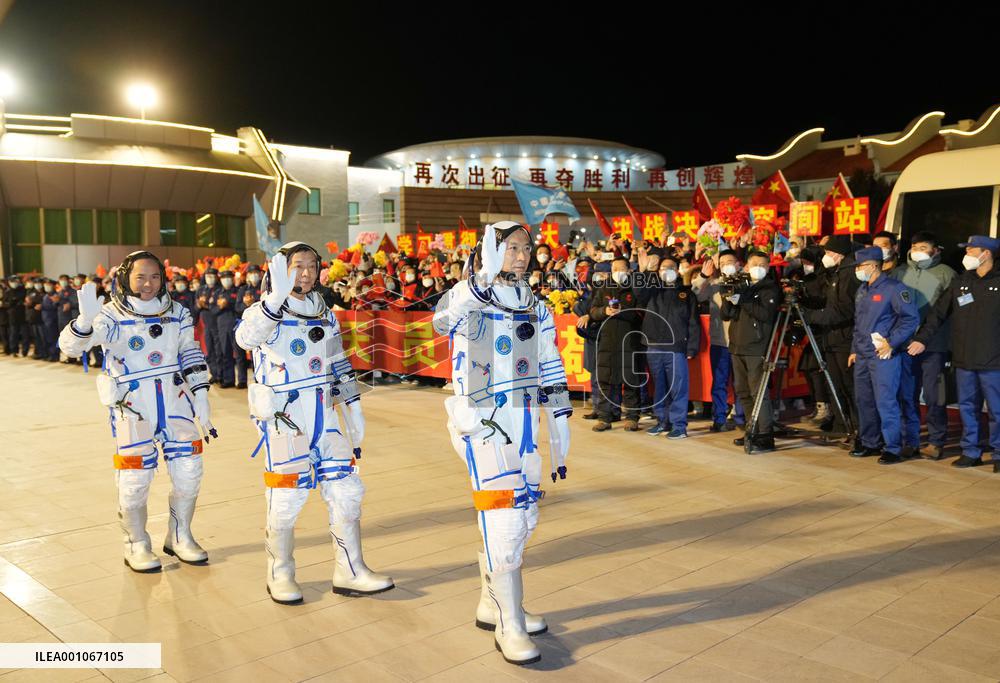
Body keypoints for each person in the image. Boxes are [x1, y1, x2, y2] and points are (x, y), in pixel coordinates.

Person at [432, 221, 570, 666]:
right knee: (505, 518)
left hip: (524, 420)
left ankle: (494, 604)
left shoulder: (535, 305)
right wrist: (481, 281)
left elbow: (549, 361)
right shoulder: (466, 294)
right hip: (483, 420)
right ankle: (510, 625)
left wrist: (560, 418)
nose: (522, 255)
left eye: (526, 248)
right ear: (488, 251)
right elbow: (441, 322)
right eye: (510, 247)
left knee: (524, 515)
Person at [236, 242, 393, 604]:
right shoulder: (263, 311)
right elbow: (245, 339)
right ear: (279, 270)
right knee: (286, 497)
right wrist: (274, 300)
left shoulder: (324, 312)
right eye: (297, 266)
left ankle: (350, 570)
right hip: (286, 417)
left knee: (346, 491)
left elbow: (337, 361)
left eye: (311, 266)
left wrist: (352, 405)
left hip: (324, 413)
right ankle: (280, 573)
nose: (305, 273)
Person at [58, 251, 216, 572]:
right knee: (135, 479)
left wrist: (201, 394)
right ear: (125, 278)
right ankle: (136, 543)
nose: (148, 284)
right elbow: (70, 348)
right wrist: (85, 322)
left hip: (174, 401)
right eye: (140, 277)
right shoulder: (111, 314)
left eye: (155, 277)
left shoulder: (177, 312)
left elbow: (189, 350)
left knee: (189, 471)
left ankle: (180, 535)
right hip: (133, 405)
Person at [909, 235, 1000, 470]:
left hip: (994, 360)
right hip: (964, 358)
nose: (966, 254)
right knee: (968, 407)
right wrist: (921, 339)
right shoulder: (961, 281)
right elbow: (938, 314)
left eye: (971, 250)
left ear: (986, 253)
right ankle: (971, 451)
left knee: (997, 409)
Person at [847, 246, 920, 465]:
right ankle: (870, 442)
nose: (857, 270)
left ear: (873, 266)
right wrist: (854, 350)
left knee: (886, 401)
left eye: (860, 266)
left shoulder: (894, 288)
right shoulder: (862, 289)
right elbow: (858, 324)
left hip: (883, 354)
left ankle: (893, 447)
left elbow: (911, 319)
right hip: (862, 354)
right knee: (864, 400)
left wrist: (892, 342)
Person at [890, 231, 955, 460]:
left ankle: (936, 441)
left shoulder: (946, 274)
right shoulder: (899, 273)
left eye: (923, 247)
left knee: (934, 395)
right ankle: (911, 440)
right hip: (905, 344)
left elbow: (949, 312)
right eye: (915, 247)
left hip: (934, 345)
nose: (918, 251)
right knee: (907, 394)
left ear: (935, 250)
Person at [635, 254, 700, 438]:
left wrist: (692, 348)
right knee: (659, 387)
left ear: (677, 270)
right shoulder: (652, 290)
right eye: (663, 268)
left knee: (678, 388)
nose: (667, 271)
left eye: (671, 267)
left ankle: (679, 425)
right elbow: (638, 294)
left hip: (676, 348)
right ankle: (662, 421)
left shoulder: (686, 294)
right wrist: (646, 271)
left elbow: (693, 322)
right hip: (654, 346)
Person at [722, 251, 780, 453]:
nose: (758, 268)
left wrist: (743, 301)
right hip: (737, 345)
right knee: (742, 391)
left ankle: (766, 435)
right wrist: (728, 298)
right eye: (755, 264)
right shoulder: (742, 285)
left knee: (758, 392)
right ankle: (752, 429)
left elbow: (765, 314)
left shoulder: (770, 289)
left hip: (757, 346)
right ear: (746, 266)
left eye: (763, 265)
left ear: (768, 268)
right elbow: (726, 314)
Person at [803, 236, 860, 441]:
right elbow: (828, 302)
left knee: (849, 385)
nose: (825, 257)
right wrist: (805, 300)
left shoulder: (849, 275)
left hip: (845, 338)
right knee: (834, 384)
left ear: (839, 254)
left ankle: (859, 429)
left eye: (828, 253)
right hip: (832, 337)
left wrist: (812, 316)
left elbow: (844, 310)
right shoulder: (835, 273)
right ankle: (840, 425)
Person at [692, 250, 746, 432]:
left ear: (738, 264)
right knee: (719, 383)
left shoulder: (746, 283)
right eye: (722, 264)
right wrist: (703, 276)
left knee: (741, 383)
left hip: (742, 342)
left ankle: (742, 418)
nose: (726, 266)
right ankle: (719, 419)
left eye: (729, 262)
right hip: (720, 343)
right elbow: (694, 295)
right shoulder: (714, 284)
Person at [589, 257, 643, 432]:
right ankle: (604, 418)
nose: (617, 272)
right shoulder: (604, 288)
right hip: (607, 342)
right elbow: (593, 311)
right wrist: (604, 311)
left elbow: (641, 314)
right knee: (605, 380)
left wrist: (622, 312)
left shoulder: (635, 288)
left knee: (631, 380)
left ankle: (632, 417)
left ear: (629, 271)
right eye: (614, 269)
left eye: (621, 269)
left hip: (629, 342)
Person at [234, 264, 262, 388]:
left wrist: (253, 303)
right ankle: (242, 380)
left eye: (256, 273)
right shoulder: (243, 289)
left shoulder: (265, 287)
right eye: (251, 273)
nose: (254, 275)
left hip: (260, 326)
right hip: (246, 326)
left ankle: (258, 379)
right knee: (240, 354)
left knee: (257, 355)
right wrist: (246, 305)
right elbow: (237, 307)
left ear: (260, 274)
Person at [212, 270, 240, 388]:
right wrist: (220, 306)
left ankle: (242, 380)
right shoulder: (218, 292)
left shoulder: (238, 290)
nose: (226, 280)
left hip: (236, 325)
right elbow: (212, 309)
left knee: (239, 354)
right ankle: (229, 380)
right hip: (222, 326)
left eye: (229, 277)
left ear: (232, 279)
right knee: (225, 353)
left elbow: (239, 306)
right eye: (224, 278)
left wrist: (227, 303)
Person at [197, 267, 222, 382]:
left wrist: (206, 305)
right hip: (206, 325)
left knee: (219, 351)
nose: (209, 278)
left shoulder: (219, 289)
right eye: (207, 276)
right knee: (209, 351)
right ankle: (214, 373)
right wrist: (199, 305)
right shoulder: (201, 290)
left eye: (212, 276)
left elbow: (218, 306)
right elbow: (196, 306)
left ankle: (220, 375)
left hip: (217, 324)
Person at [3, 275, 27, 357]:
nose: (14, 283)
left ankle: (25, 351)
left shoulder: (23, 290)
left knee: (25, 335)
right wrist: (11, 302)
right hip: (12, 316)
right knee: (13, 334)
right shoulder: (7, 292)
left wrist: (16, 301)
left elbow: (23, 300)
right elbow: (5, 303)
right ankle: (14, 351)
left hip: (23, 316)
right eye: (12, 281)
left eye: (15, 281)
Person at [40, 279, 61, 361]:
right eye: (45, 284)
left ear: (53, 285)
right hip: (45, 320)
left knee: (54, 339)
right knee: (47, 338)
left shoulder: (55, 295)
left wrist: (42, 306)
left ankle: (55, 355)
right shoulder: (46, 295)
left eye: (48, 284)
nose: (46, 286)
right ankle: (49, 354)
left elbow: (54, 306)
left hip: (52, 320)